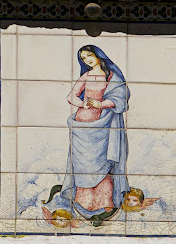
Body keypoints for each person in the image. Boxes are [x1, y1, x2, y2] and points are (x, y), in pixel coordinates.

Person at [43, 45, 130, 222]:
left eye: (89, 55)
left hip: (103, 123)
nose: (87, 60)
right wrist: (83, 104)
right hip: (82, 124)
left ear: (98, 55)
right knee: (83, 163)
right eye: (83, 58)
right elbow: (71, 96)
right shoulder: (86, 76)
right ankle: (83, 201)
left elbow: (121, 99)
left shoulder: (111, 77)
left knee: (102, 162)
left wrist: (101, 104)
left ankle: (105, 201)